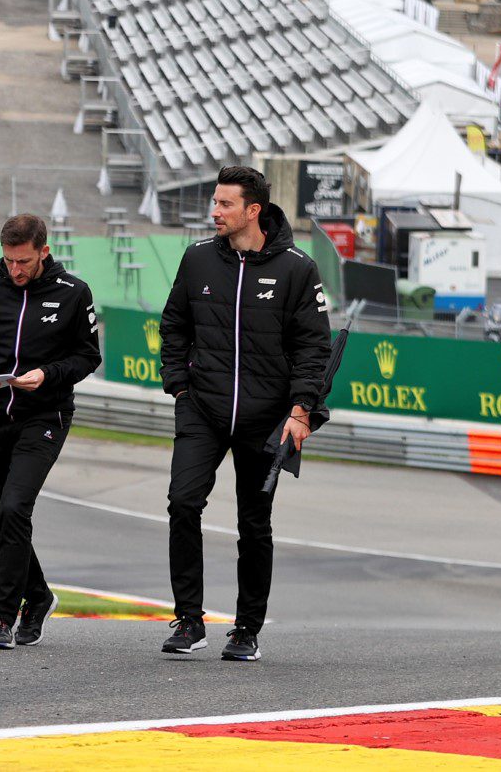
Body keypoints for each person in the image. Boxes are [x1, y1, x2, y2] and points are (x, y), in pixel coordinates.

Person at [159, 165, 331, 661]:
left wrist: (301, 411)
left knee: (254, 525)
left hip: (267, 419)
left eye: (225, 204)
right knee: (182, 502)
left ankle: (246, 629)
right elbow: (174, 324)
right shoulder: (196, 260)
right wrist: (179, 385)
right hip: (202, 409)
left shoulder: (297, 268)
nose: (214, 212)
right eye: (214, 203)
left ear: (252, 210)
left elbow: (314, 349)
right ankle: (189, 621)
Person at [0, 213, 102, 649]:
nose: (15, 270)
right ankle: (38, 596)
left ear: (44, 252)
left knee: (15, 508)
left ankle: (2, 617)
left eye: (23, 261)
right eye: (9, 260)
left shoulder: (74, 293)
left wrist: (48, 374)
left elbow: (87, 357)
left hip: (46, 417)